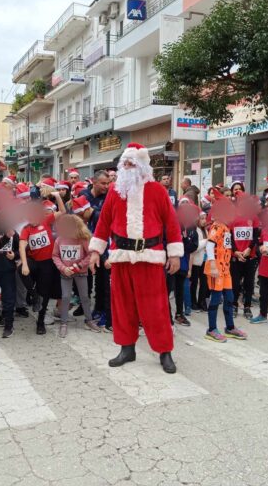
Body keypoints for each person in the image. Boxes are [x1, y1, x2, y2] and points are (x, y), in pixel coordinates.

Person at [88, 143, 183, 374]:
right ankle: (127, 348)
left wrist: (175, 255)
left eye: (132, 163)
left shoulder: (158, 191)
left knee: (156, 308)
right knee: (122, 307)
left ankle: (165, 351)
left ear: (142, 166)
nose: (128, 167)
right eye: (125, 163)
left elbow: (171, 224)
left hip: (149, 257)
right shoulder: (115, 191)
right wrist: (95, 251)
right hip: (121, 258)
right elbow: (103, 223)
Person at [19, 193, 66, 335]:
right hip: (34, 262)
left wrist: (57, 196)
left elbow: (63, 212)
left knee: (45, 293)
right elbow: (22, 246)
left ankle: (40, 322)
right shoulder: (26, 229)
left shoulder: (46, 221)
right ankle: (33, 295)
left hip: (48, 263)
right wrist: (25, 264)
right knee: (20, 269)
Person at [203, 198, 247, 342]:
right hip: (216, 268)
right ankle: (211, 329)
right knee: (215, 300)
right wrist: (213, 265)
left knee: (229, 298)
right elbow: (210, 246)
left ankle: (230, 327)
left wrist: (236, 253)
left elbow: (225, 246)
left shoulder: (226, 228)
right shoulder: (217, 227)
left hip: (225, 269)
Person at [52, 214, 100, 337]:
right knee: (65, 297)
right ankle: (63, 322)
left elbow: (90, 254)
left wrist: (79, 266)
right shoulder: (59, 239)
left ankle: (88, 320)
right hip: (66, 272)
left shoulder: (82, 238)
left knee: (84, 297)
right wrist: (63, 268)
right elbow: (55, 255)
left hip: (81, 272)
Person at [80, 171, 111, 328]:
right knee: (95, 280)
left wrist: (95, 214)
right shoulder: (84, 195)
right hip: (87, 244)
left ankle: (106, 313)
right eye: (103, 183)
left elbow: (109, 217)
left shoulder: (109, 197)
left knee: (105, 282)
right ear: (94, 182)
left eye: (108, 183)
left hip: (104, 245)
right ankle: (97, 308)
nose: (106, 186)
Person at [171, 201, 199, 326]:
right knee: (168, 289)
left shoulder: (193, 228)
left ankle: (179, 314)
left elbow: (194, 246)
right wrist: (182, 241)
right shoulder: (175, 224)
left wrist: (184, 240)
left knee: (180, 290)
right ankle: (167, 316)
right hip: (172, 262)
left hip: (184, 262)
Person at [189, 211, 208, 311]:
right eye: (202, 218)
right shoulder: (195, 230)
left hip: (205, 260)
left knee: (204, 283)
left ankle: (202, 301)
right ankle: (193, 302)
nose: (204, 221)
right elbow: (195, 247)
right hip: (196, 261)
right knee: (194, 282)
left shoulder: (205, 230)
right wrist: (206, 241)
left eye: (205, 218)